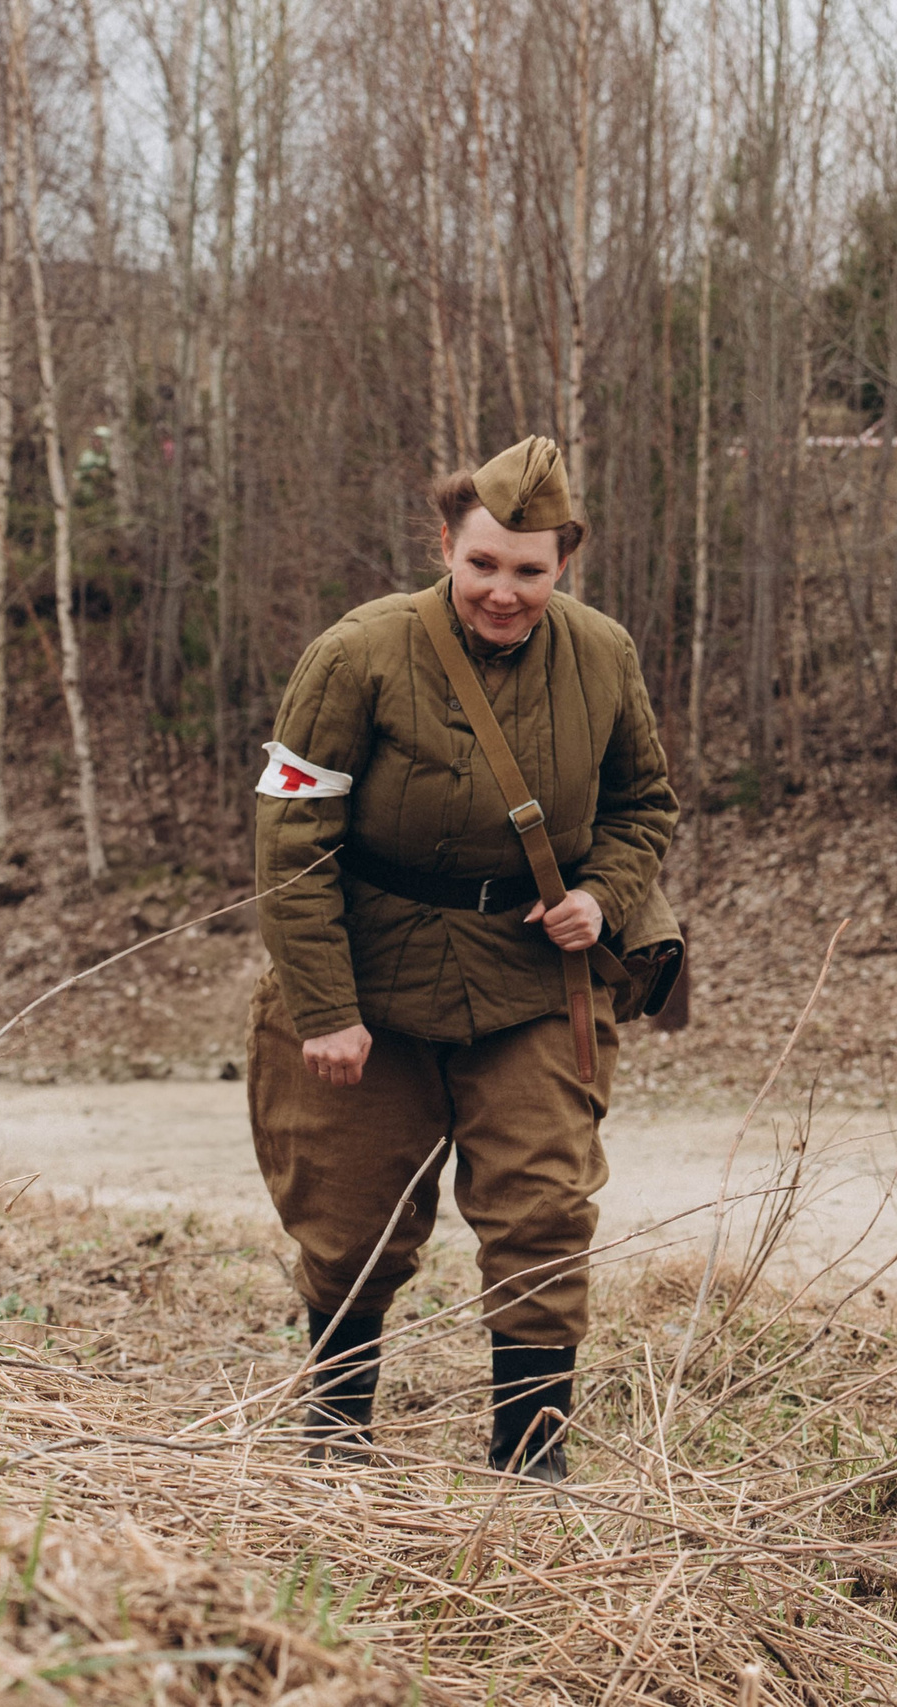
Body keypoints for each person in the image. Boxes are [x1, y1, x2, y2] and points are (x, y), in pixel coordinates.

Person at [250, 435, 679, 1479]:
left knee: (542, 1210)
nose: (503, 592)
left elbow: (643, 806)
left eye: (529, 571)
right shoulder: (356, 654)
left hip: (532, 981)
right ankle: (338, 1431)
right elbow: (291, 841)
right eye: (483, 564)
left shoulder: (602, 655)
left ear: (563, 563)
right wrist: (324, 1007)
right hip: (374, 978)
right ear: (446, 544)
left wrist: (598, 896)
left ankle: (529, 1465)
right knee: (352, 1218)